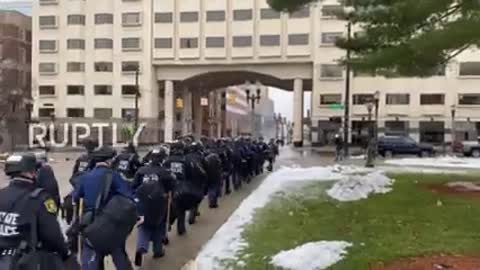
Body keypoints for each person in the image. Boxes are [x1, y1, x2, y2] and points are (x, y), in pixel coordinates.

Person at [0, 153, 76, 269]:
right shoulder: (40, 199)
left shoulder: (2, 194)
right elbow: (52, 236)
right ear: (32, 172)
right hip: (26, 262)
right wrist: (66, 254)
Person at [72, 146, 134, 270]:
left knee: (91, 257)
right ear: (109, 161)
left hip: (91, 225)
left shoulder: (85, 177)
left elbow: (76, 197)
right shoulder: (114, 176)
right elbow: (129, 196)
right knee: (119, 256)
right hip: (112, 224)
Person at [132, 146, 175, 267]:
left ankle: (141, 248)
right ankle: (158, 251)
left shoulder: (141, 170)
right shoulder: (165, 172)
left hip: (142, 203)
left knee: (143, 226)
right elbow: (172, 185)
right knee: (158, 225)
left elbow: (134, 185)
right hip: (159, 204)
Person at [163, 141, 196, 235]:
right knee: (181, 208)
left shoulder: (167, 160)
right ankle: (180, 228)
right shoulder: (185, 160)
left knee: (169, 207)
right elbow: (190, 174)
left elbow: (163, 173)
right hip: (182, 187)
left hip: (169, 187)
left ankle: (167, 224)